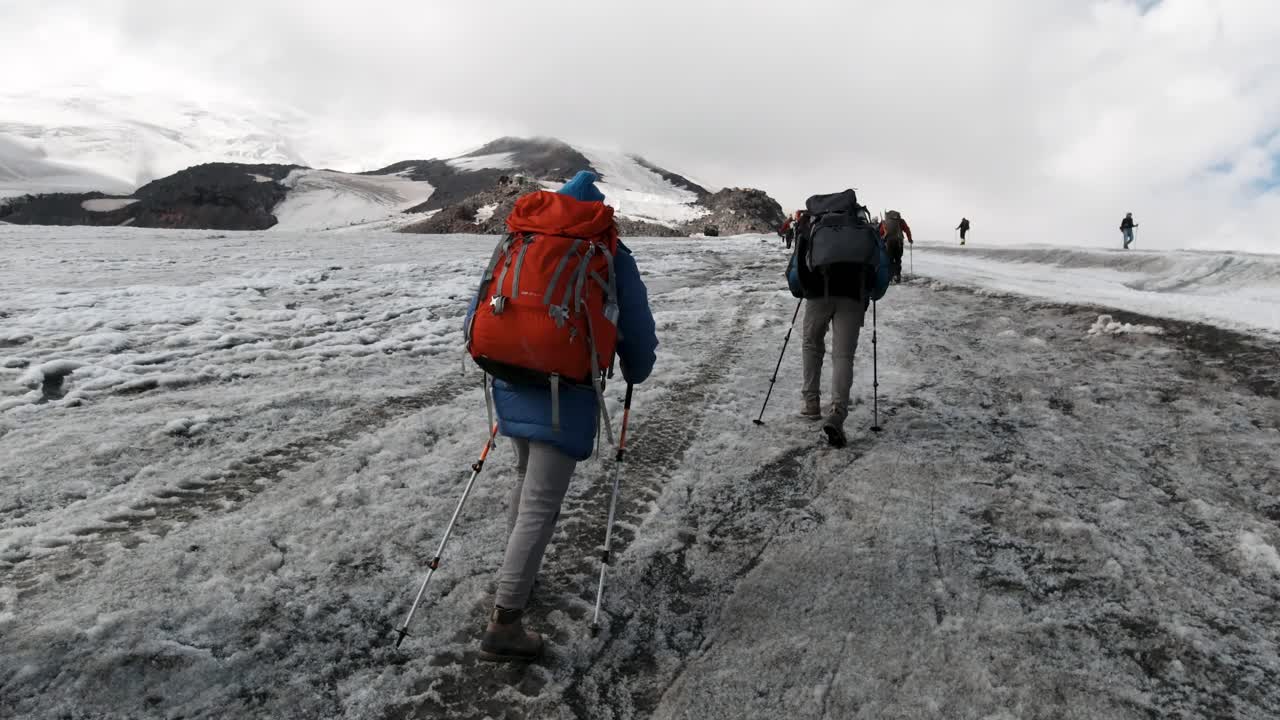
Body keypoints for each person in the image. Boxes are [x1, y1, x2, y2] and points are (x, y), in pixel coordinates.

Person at [466, 170, 658, 662]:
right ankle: (505, 621)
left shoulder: (522, 238)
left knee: (525, 479)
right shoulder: (606, 249)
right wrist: (638, 368)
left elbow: (479, 305)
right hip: (564, 388)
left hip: (509, 374)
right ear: (595, 209)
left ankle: (518, 580)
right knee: (540, 503)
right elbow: (634, 323)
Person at [791, 190, 884, 448]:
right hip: (852, 297)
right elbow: (878, 264)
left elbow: (797, 266)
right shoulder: (860, 223)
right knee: (842, 356)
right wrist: (871, 292)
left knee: (812, 345)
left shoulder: (813, 223)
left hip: (817, 295)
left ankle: (811, 403)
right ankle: (837, 413)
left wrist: (801, 290)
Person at [879, 210, 913, 283]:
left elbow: (880, 233)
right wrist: (910, 239)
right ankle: (897, 276)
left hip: (889, 243)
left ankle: (890, 277)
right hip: (899, 243)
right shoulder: (901, 221)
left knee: (889, 260)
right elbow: (907, 229)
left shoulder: (885, 222)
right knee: (898, 260)